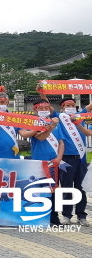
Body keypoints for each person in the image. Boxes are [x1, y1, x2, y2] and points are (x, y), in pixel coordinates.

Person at [40, 93, 91, 227]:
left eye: (73, 105)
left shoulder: (81, 116)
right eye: (67, 106)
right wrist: (42, 92)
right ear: (62, 108)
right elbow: (48, 106)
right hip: (67, 159)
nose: (70, 108)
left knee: (81, 188)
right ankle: (66, 215)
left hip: (81, 158)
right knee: (67, 187)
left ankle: (81, 215)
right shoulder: (59, 117)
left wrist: (78, 123)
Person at [18, 99, 64, 225]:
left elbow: (61, 142)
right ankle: (37, 216)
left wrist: (59, 158)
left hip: (53, 161)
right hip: (38, 161)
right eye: (41, 108)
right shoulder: (34, 123)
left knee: (54, 189)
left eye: (46, 107)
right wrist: (50, 127)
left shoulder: (56, 122)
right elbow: (41, 137)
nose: (44, 110)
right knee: (38, 189)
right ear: (35, 109)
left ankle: (54, 218)